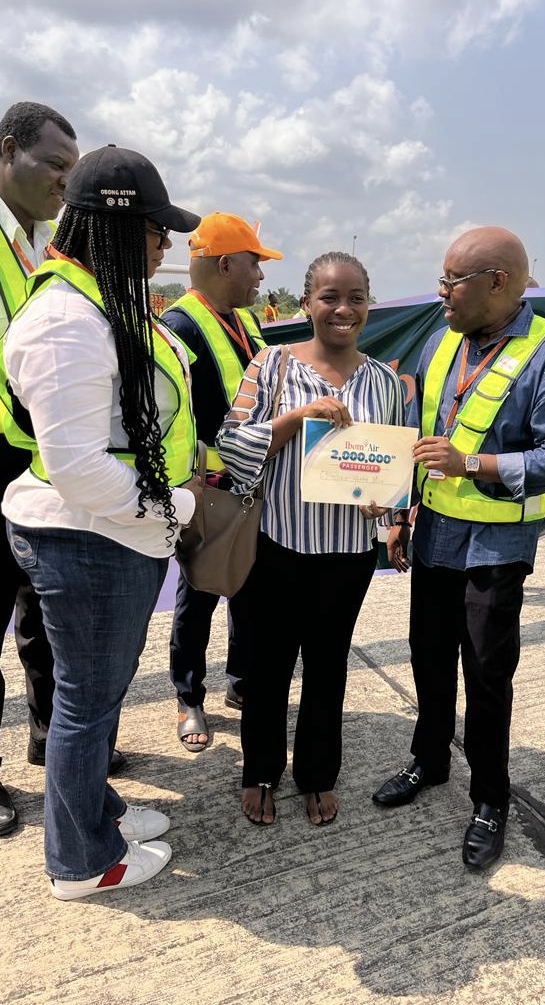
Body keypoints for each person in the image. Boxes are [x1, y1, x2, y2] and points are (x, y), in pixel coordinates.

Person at [0, 144, 201, 897]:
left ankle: (97, 810)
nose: (166, 243)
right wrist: (176, 505)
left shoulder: (96, 303)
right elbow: (81, 466)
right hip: (89, 535)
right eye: (155, 228)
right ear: (116, 229)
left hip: (113, 532)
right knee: (86, 704)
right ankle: (81, 861)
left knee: (100, 694)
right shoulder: (65, 323)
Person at [372, 226, 545, 870]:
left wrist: (474, 465)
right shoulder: (440, 342)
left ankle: (491, 798)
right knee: (429, 661)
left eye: (452, 281)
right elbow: (420, 440)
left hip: (494, 549)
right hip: (433, 536)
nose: (442, 294)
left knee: (487, 678)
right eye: (441, 279)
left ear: (498, 282)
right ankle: (429, 762)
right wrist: (404, 512)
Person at [217, 251, 405, 826]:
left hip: (346, 555)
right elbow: (231, 443)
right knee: (267, 668)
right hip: (275, 545)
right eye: (329, 297)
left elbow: (390, 469)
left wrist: (388, 508)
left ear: (368, 305)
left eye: (355, 298)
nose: (342, 310)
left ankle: (317, 774)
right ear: (307, 303)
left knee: (328, 667)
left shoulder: (385, 383)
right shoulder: (271, 366)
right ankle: (261, 771)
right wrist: (297, 419)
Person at [0, 102, 80, 838]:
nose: (63, 181)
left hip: (30, 450)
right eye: (54, 165)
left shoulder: (40, 243)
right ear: (8, 150)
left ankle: (50, 737)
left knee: (38, 608)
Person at [163, 212, 283, 752]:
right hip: (207, 489)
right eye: (255, 265)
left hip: (251, 481)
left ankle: (241, 682)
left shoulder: (245, 322)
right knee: (200, 591)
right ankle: (190, 697)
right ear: (225, 263)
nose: (260, 278)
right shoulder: (181, 326)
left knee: (248, 588)